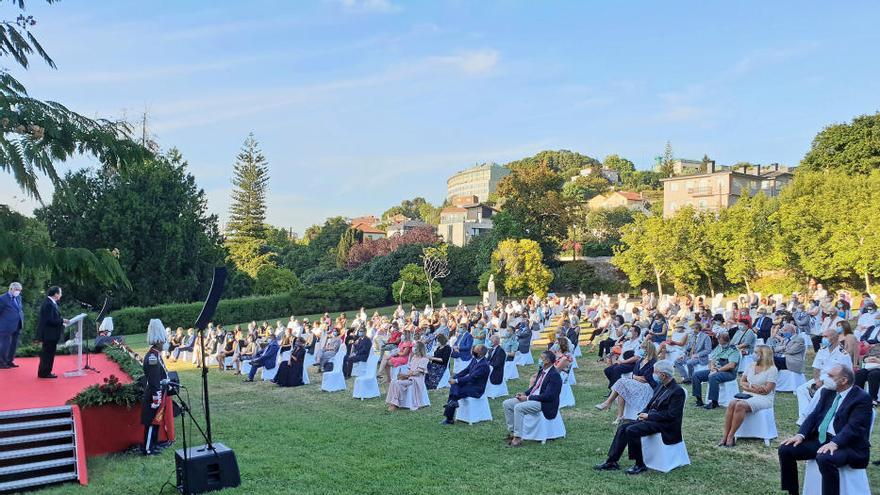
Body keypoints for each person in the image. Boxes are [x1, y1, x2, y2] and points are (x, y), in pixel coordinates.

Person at [778, 365, 872, 495]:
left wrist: (835, 443)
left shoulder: (861, 398)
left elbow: (854, 427)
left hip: (848, 445)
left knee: (825, 458)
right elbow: (814, 415)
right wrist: (800, 435)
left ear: (844, 380)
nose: (825, 378)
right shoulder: (827, 392)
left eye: (831, 376)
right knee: (786, 449)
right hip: (822, 438)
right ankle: (792, 492)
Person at [593, 360, 685, 475]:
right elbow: (650, 404)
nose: (653, 375)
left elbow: (672, 415)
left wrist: (649, 416)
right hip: (653, 419)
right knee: (623, 427)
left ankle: (639, 464)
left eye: (655, 372)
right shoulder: (661, 386)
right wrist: (642, 414)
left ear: (663, 375)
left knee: (632, 430)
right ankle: (612, 461)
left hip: (665, 425)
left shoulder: (677, 391)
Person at [718, 345, 778, 447]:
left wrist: (748, 386)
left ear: (763, 355)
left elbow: (766, 391)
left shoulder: (772, 369)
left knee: (740, 405)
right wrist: (753, 387)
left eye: (756, 353)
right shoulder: (751, 365)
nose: (753, 354)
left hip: (764, 399)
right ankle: (725, 435)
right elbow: (742, 382)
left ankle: (731, 435)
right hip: (747, 394)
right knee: (732, 403)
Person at [503, 350, 562, 447]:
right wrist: (524, 393)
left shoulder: (554, 375)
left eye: (541, 358)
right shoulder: (542, 371)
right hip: (533, 398)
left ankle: (518, 438)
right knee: (507, 403)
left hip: (544, 403)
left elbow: (548, 396)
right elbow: (535, 387)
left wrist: (527, 398)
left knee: (519, 407)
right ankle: (513, 432)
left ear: (547, 361)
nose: (539, 360)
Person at [795, 327, 852, 424]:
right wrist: (817, 380)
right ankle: (804, 416)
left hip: (835, 380)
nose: (823, 339)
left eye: (826, 336)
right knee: (801, 389)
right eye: (823, 336)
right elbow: (816, 367)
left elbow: (848, 374)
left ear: (834, 338)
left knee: (820, 392)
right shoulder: (822, 350)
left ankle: (806, 418)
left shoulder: (843, 354)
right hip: (821, 378)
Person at [595, 339, 657, 424]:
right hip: (638, 384)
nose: (640, 350)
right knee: (622, 388)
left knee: (622, 382)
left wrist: (636, 377)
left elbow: (647, 379)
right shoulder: (640, 361)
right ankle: (619, 416)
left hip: (647, 387)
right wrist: (637, 377)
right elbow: (635, 375)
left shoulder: (653, 362)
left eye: (642, 348)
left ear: (648, 349)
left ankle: (608, 403)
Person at [441, 345, 490, 425]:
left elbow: (471, 377)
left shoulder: (484, 365)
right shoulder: (475, 359)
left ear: (481, 354)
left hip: (476, 389)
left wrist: (456, 380)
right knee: (455, 387)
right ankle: (453, 404)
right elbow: (466, 370)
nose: (473, 352)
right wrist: (455, 376)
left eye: (475, 351)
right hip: (469, 384)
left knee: (455, 390)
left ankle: (449, 418)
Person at [141, 319, 169, 455]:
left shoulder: (156, 354)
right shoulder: (152, 357)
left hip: (158, 393)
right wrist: (156, 398)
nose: (164, 343)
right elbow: (153, 380)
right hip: (154, 395)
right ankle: (148, 448)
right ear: (157, 341)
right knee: (152, 423)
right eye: (162, 341)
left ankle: (154, 444)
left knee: (156, 421)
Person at [692, 332, 740, 409]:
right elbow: (712, 360)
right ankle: (699, 400)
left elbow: (731, 365)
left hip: (728, 373)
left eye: (723, 343)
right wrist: (712, 368)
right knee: (696, 375)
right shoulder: (719, 347)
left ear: (727, 341)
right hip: (716, 370)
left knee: (713, 377)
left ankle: (714, 402)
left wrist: (717, 370)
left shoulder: (733, 350)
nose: (721, 344)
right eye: (720, 342)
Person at [36, 286, 69, 379]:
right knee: (47, 354)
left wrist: (61, 321)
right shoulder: (48, 304)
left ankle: (46, 371)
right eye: (60, 293)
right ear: (56, 294)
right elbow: (49, 320)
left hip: (51, 333)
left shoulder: (51, 302)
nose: (61, 295)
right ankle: (44, 373)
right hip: (49, 334)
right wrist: (62, 321)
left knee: (49, 353)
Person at [386, 341, 430, 411]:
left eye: (415, 346)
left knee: (397, 383)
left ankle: (394, 404)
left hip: (416, 380)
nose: (413, 348)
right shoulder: (414, 358)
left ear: (419, 349)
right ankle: (392, 402)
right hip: (410, 377)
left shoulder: (424, 359)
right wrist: (404, 376)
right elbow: (410, 370)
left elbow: (418, 373)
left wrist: (406, 375)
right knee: (393, 381)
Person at [0, 282, 24, 369]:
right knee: (5, 344)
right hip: (5, 326)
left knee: (14, 344)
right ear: (11, 289)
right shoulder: (2, 298)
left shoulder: (18, 298)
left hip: (17, 324)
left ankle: (9, 361)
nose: (18, 292)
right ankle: (1, 362)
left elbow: (19, 310)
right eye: (17, 290)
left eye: (19, 290)